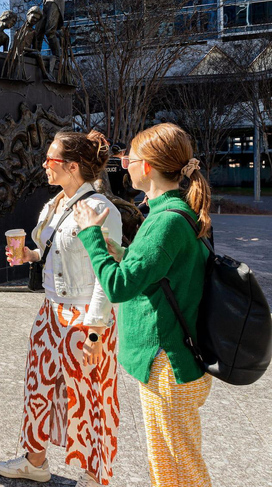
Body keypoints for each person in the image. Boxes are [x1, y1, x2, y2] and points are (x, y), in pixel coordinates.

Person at [73, 123, 213, 487]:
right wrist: (118, 251)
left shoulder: (166, 221)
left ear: (147, 166)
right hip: (169, 361)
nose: (124, 162)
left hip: (167, 363)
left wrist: (90, 234)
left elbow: (120, 286)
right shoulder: (168, 213)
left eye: (129, 157)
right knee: (167, 466)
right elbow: (153, 271)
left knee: (182, 470)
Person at [0, 130, 123, 487]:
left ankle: (96, 476)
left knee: (89, 398)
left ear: (72, 166)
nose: (44, 165)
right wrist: (28, 255)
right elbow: (48, 251)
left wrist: (95, 329)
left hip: (84, 318)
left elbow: (105, 277)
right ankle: (35, 462)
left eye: (50, 159)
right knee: (39, 389)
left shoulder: (101, 210)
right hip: (50, 312)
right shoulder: (55, 204)